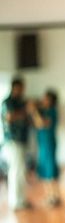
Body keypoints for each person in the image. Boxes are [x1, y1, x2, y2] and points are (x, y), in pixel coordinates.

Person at [1, 77, 31, 210]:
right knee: (15, 171)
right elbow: (9, 117)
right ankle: (15, 202)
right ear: (15, 87)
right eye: (21, 88)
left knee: (20, 171)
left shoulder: (21, 102)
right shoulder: (8, 102)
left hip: (22, 140)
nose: (22, 90)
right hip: (13, 141)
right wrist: (25, 111)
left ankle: (21, 200)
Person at [28, 89, 60, 206]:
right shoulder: (43, 110)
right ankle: (49, 196)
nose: (43, 100)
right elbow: (37, 124)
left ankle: (54, 197)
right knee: (45, 170)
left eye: (45, 98)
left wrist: (34, 111)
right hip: (42, 144)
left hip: (49, 144)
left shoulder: (52, 111)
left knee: (50, 170)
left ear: (51, 100)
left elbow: (42, 123)